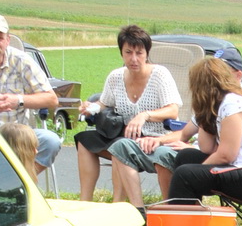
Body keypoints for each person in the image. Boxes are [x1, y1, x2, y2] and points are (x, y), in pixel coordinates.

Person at [75, 24, 180, 203]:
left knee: (120, 146)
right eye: (128, 52)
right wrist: (91, 108)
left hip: (154, 137)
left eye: (139, 53)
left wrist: (145, 115)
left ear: (147, 53)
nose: (134, 59)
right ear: (121, 53)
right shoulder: (115, 77)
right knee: (84, 140)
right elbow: (104, 102)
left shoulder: (160, 75)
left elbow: (173, 109)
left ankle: (121, 203)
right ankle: (85, 201)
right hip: (122, 133)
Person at [166, 57, 242, 205]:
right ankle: (193, 216)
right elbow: (207, 148)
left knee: (185, 175)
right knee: (186, 156)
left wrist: (197, 173)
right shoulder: (223, 103)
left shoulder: (232, 104)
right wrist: (204, 111)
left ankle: (179, 225)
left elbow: (226, 155)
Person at [0, 12, 63, 180]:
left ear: (7, 39)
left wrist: (18, 100)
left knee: (51, 141)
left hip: (18, 133)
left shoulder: (22, 60)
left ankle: (18, 183)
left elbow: (51, 99)